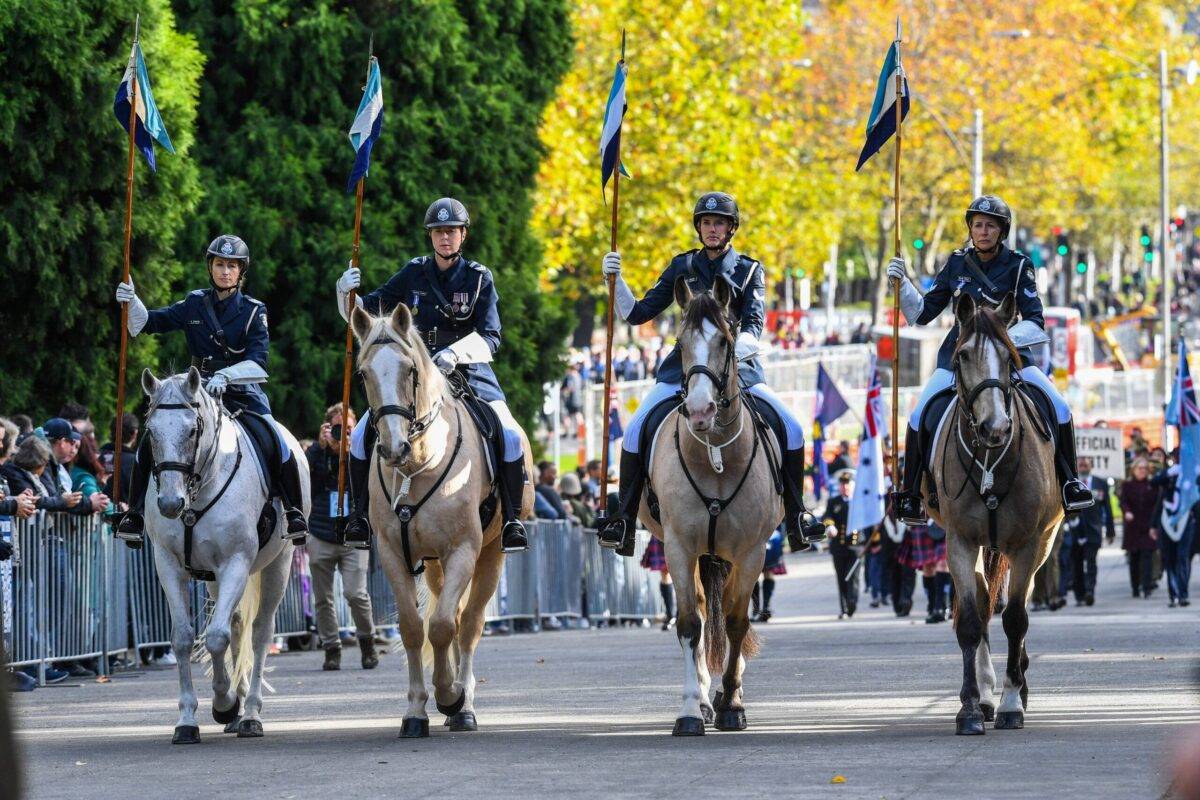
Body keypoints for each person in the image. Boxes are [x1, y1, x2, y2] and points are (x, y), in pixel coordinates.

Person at [596, 192, 823, 553]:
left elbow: (754, 324)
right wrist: (616, 280)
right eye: (706, 223)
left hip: (739, 370)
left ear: (731, 228)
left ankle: (797, 515)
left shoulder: (749, 270)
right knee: (635, 431)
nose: (712, 229)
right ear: (698, 228)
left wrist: (731, 351)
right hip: (681, 371)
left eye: (719, 223)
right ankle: (623, 518)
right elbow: (637, 313)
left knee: (792, 428)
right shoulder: (682, 266)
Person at [335, 198, 529, 553]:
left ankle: (512, 518)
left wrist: (455, 353)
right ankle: (359, 516)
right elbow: (365, 318)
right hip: (415, 379)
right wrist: (345, 293)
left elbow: (492, 337)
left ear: (463, 235)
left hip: (469, 374)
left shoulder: (479, 278)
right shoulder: (413, 273)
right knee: (364, 431)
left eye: (451, 231)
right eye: (439, 232)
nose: (445, 238)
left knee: (510, 435)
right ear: (431, 236)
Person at [888, 195, 1093, 523]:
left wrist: (999, 343)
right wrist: (903, 286)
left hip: (1010, 354)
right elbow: (923, 314)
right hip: (960, 356)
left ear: (1002, 231)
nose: (983, 231)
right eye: (977, 225)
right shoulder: (956, 263)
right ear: (970, 228)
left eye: (990, 226)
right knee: (918, 415)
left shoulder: (1019, 265)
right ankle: (912, 494)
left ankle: (1070, 482)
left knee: (1060, 407)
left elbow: (1035, 320)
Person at [112, 235, 309, 547]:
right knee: (154, 437)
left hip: (242, 392)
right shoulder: (194, 303)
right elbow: (148, 323)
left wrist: (228, 375)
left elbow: (259, 363)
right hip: (196, 392)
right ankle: (134, 514)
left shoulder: (253, 311)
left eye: (232, 266)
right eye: (220, 264)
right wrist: (132, 301)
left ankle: (294, 510)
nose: (225, 271)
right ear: (211, 267)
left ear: (241, 271)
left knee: (274, 437)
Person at [303, 403, 377, 671]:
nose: (342, 434)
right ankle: (331, 648)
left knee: (355, 593)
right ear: (327, 429)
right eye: (337, 429)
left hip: (353, 535)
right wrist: (319, 449)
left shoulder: (363, 454)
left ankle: (367, 642)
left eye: (348, 429)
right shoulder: (318, 453)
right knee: (323, 598)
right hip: (321, 533)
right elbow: (306, 478)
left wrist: (351, 451)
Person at [1063, 457, 1113, 606]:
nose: (1083, 465)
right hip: (1074, 531)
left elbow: (1107, 508)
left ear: (1091, 465)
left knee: (1091, 562)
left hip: (1093, 530)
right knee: (1076, 564)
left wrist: (1110, 530)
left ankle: (1090, 591)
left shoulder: (1100, 483)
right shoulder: (1069, 483)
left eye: (1086, 462)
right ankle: (1080, 595)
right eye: (1080, 462)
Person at [1119, 457, 1159, 598]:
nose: (1142, 471)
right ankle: (1135, 587)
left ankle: (1147, 587)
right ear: (1134, 470)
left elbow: (1157, 504)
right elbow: (1123, 502)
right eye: (1139, 468)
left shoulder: (1152, 484)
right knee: (1134, 559)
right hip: (1133, 527)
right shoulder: (1127, 485)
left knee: (1147, 557)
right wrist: (1127, 512)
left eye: (1144, 468)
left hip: (1148, 526)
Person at [823, 470, 860, 619]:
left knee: (853, 577)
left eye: (847, 484)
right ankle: (844, 608)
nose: (844, 487)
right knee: (841, 577)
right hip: (839, 547)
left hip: (856, 547)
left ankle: (852, 602)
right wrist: (830, 526)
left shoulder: (859, 501)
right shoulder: (834, 502)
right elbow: (827, 516)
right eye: (842, 484)